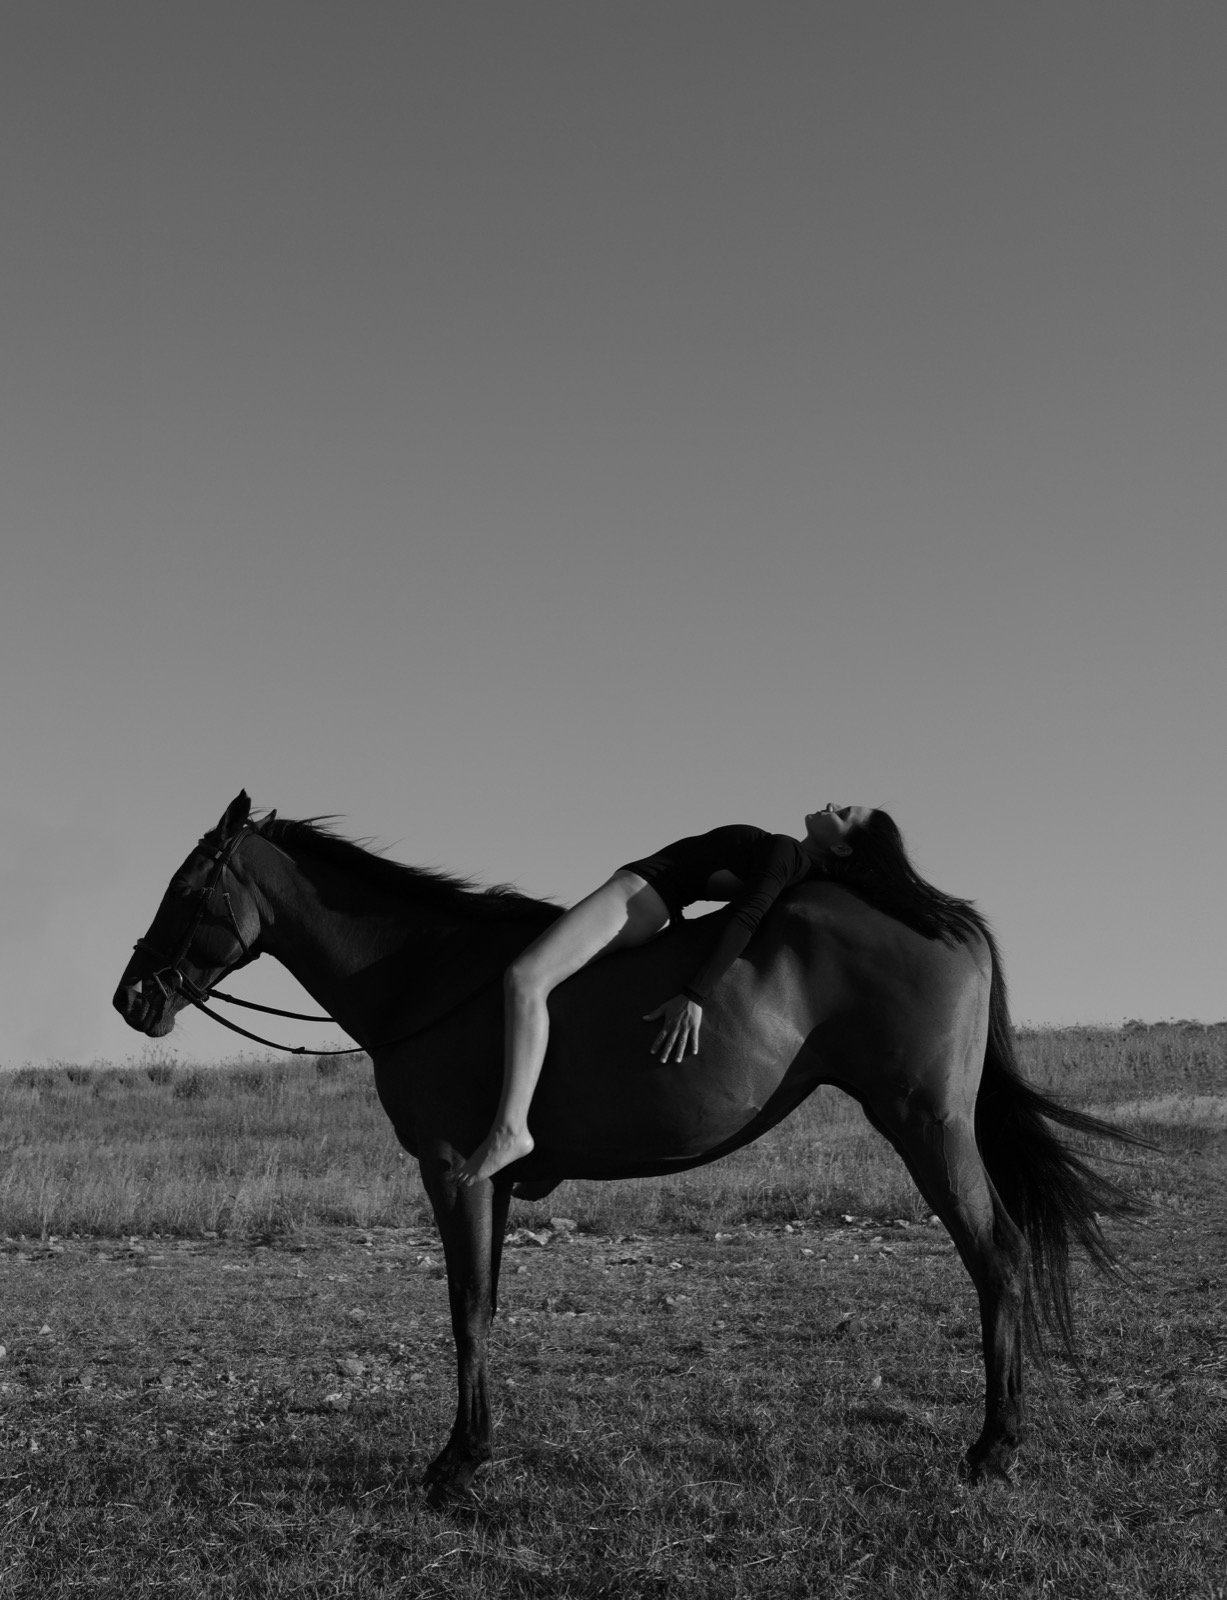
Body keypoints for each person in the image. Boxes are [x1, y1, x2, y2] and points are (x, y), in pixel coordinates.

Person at [457, 803, 876, 1186]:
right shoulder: (790, 865)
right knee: (567, 996)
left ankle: (511, 1130)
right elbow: (738, 898)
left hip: (636, 899)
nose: (831, 804)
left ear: (841, 848)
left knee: (525, 979)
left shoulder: (785, 853)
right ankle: (554, 1147)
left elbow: (748, 917)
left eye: (844, 814)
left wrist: (696, 994)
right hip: (649, 908)